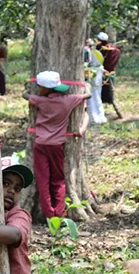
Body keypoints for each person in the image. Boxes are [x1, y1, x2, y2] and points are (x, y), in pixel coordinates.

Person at [23, 71, 91, 219]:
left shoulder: (40, 101)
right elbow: (87, 95)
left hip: (40, 145)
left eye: (40, 87)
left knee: (42, 179)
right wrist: (86, 86)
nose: (39, 89)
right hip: (57, 146)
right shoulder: (68, 100)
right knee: (58, 179)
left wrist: (26, 90)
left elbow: (26, 96)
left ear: (46, 89)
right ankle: (59, 213)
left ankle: (49, 214)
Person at [96, 32, 122, 118]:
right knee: (109, 90)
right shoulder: (115, 50)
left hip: (103, 72)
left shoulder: (101, 49)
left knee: (103, 90)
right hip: (110, 72)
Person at [84, 39, 107, 126]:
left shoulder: (88, 52)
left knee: (92, 97)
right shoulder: (97, 53)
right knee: (97, 96)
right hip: (97, 75)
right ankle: (100, 116)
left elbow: (87, 64)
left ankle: (94, 118)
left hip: (92, 75)